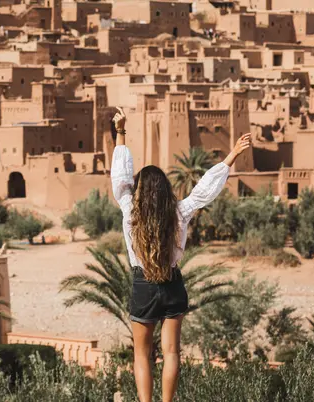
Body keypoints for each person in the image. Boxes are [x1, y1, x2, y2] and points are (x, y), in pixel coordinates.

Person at [110, 108, 252, 402]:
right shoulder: (179, 212)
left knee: (142, 354)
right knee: (172, 351)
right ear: (164, 191)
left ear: (139, 192)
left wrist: (120, 132)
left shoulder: (129, 212)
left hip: (143, 286)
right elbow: (203, 191)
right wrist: (231, 156)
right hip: (173, 284)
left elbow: (120, 180)